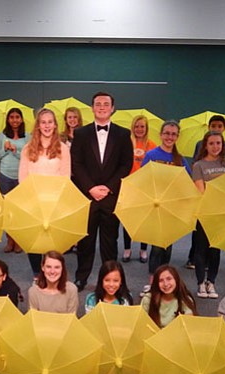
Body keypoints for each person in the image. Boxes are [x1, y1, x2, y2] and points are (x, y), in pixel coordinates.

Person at [71, 92, 133, 292]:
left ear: (113, 108)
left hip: (110, 196)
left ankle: (111, 280)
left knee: (110, 242)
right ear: (92, 108)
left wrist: (108, 188)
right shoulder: (80, 134)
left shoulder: (123, 134)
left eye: (106, 104)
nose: (102, 107)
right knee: (85, 241)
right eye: (98, 104)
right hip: (87, 196)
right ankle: (81, 277)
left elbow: (126, 164)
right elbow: (77, 163)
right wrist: (90, 188)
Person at [141, 264, 198, 374]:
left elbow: (189, 327)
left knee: (188, 360)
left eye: (169, 279)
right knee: (173, 363)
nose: (166, 284)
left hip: (180, 344)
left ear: (176, 280)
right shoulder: (149, 299)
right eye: (161, 280)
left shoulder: (186, 299)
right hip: (156, 345)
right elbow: (142, 327)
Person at [139, 120, 192, 296]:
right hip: (155, 206)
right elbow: (143, 180)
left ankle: (165, 280)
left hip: (172, 208)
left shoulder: (180, 159)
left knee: (167, 247)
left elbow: (188, 184)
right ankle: (152, 282)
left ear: (177, 137)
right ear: (161, 135)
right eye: (167, 133)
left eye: (173, 134)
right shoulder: (151, 155)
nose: (170, 137)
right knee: (155, 246)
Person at [28, 251, 79, 374]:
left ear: (62, 268)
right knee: (38, 358)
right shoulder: (33, 291)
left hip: (63, 337)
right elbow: (33, 322)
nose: (52, 271)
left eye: (56, 267)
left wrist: (57, 341)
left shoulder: (71, 289)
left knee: (59, 359)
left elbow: (71, 320)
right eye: (48, 266)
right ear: (42, 268)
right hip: (41, 337)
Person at [19, 108, 71, 279]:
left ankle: (51, 275)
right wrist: (32, 199)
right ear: (38, 126)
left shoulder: (63, 149)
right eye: (43, 122)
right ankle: (36, 275)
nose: (47, 125)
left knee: (52, 240)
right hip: (34, 201)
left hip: (55, 202)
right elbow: (23, 177)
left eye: (50, 122)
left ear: (55, 125)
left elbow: (66, 178)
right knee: (34, 239)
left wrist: (57, 200)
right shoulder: (28, 148)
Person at [186, 114, 225, 269]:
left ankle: (210, 271)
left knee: (216, 243)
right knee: (199, 237)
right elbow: (197, 168)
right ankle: (193, 258)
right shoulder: (199, 153)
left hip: (221, 206)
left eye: (219, 126)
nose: (215, 146)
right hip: (204, 203)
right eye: (213, 126)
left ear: (224, 129)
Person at [191, 131, 225, 299]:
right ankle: (201, 283)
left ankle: (211, 282)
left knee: (215, 250)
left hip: (222, 214)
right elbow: (201, 191)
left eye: (218, 143)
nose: (215, 146)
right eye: (211, 143)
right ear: (205, 146)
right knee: (201, 248)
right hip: (204, 213)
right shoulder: (199, 165)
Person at [122, 115, 156, 264]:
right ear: (133, 128)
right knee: (128, 220)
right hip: (129, 186)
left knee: (144, 220)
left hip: (145, 188)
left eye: (142, 126)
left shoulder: (152, 145)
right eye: (137, 126)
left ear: (146, 128)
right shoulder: (127, 143)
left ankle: (143, 250)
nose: (139, 129)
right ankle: (127, 249)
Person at [0, 107, 29, 253]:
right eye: (12, 117)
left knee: (20, 209)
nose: (14, 120)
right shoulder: (2, 136)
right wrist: (5, 149)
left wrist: (15, 151)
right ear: (8, 120)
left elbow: (28, 157)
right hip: (5, 175)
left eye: (17, 117)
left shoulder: (27, 137)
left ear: (21, 119)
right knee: (8, 210)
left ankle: (19, 239)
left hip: (21, 176)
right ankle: (10, 240)